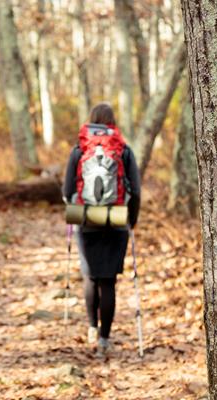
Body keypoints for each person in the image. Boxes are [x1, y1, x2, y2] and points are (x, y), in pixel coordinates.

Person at [62, 103, 141, 356]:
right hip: (117, 221)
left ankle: (91, 327)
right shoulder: (123, 151)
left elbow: (66, 191)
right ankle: (105, 339)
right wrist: (132, 220)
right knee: (108, 281)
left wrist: (78, 207)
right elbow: (136, 191)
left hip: (87, 221)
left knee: (90, 277)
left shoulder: (79, 150)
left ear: (92, 121)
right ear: (113, 122)